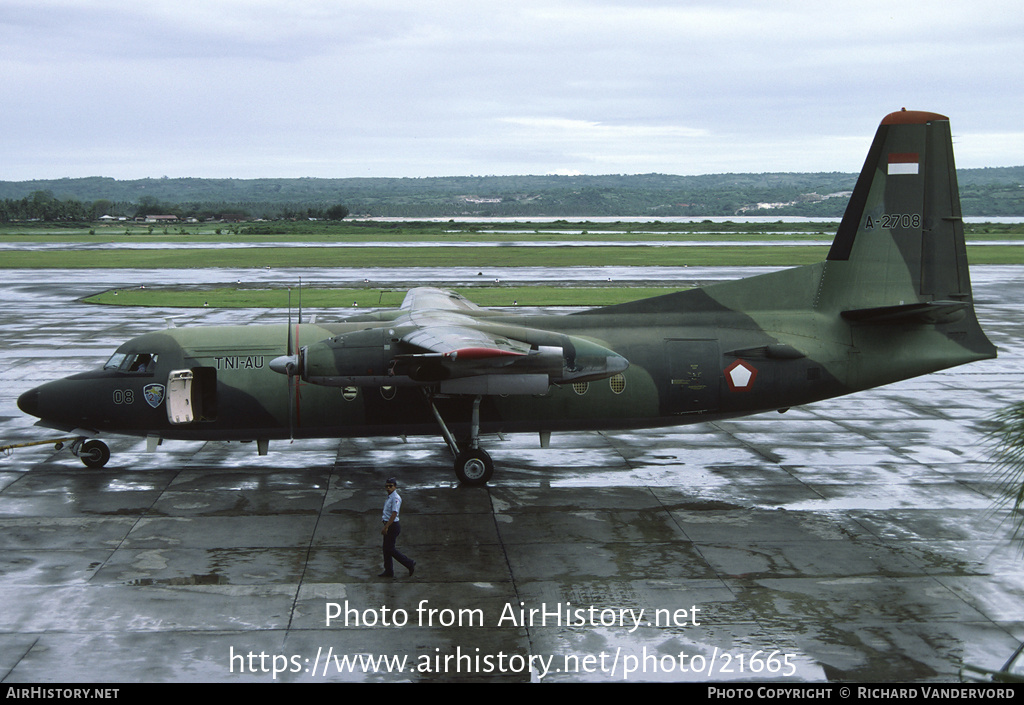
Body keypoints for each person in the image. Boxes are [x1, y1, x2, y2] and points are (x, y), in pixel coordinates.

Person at [379, 477, 415, 578]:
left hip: (392, 526)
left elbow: (394, 513)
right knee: (386, 549)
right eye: (387, 486)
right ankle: (388, 571)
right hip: (389, 524)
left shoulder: (395, 498)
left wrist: (386, 527)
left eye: (391, 486)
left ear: (395, 487)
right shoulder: (390, 496)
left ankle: (409, 563)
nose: (388, 488)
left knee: (390, 549)